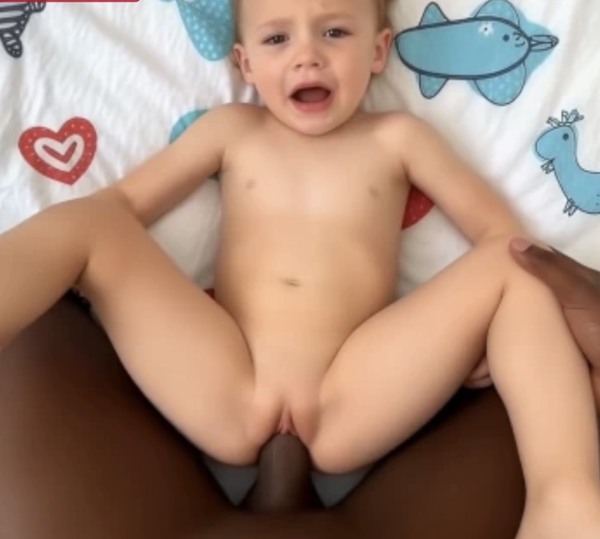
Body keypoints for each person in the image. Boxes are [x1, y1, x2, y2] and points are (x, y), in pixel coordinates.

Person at [0, 0, 599, 536]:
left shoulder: (398, 138)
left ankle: (566, 498)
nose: (307, 55)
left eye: (335, 32)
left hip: (349, 393)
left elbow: (499, 235)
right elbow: (124, 206)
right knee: (91, 221)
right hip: (230, 381)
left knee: (520, 264)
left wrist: (489, 332)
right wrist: (81, 253)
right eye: (277, 39)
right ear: (245, 64)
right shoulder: (232, 129)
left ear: (378, 51)